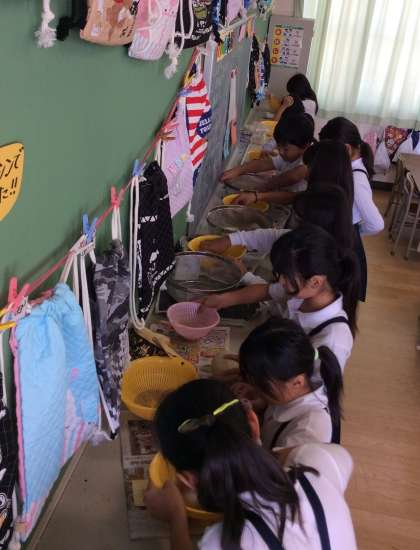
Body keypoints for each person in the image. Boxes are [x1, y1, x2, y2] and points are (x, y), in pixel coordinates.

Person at [144, 379, 357, 550]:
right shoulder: (320, 462)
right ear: (254, 423)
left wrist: (176, 516)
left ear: (188, 480)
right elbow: (340, 458)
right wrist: (252, 448)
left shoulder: (225, 542)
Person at [201, 225, 359, 371]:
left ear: (315, 282)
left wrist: (256, 381)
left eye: (287, 276)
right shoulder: (303, 294)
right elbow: (266, 291)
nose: (281, 281)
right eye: (280, 274)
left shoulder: (333, 341)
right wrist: (223, 300)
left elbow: (307, 389)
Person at [237, 317, 343, 455]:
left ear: (297, 382)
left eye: (262, 385)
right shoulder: (290, 392)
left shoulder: (308, 431)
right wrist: (263, 402)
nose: (255, 387)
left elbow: (273, 468)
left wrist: (254, 438)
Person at [319, 117, 384, 300]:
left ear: (346, 149)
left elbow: (377, 224)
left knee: (341, 296)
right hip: (343, 236)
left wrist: (354, 231)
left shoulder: (357, 180)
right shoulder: (348, 168)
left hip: (346, 243)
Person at [200, 183, 353, 257]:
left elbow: (277, 292)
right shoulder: (311, 238)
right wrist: (230, 240)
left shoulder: (318, 261)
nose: (296, 224)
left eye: (300, 220)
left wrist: (247, 277)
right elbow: (273, 236)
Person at [221, 113, 314, 196]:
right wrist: (238, 170)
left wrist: (261, 189)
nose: (280, 152)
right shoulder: (289, 156)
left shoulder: (307, 162)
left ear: (305, 146)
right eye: (278, 146)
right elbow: (266, 163)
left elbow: (293, 176)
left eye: (286, 149)